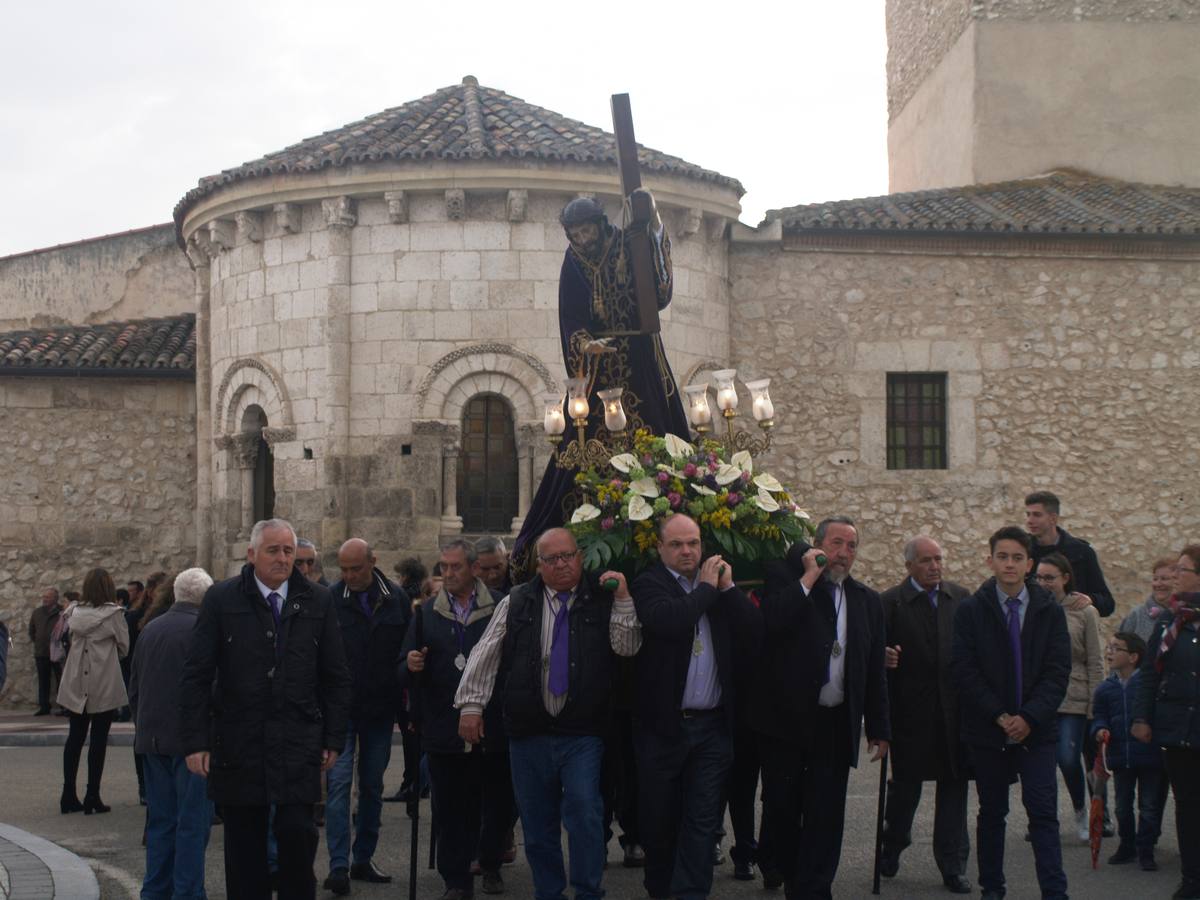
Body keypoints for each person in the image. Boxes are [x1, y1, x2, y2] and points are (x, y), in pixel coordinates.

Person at [455, 527, 642, 900]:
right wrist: (471, 707)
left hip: (583, 732)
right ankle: (549, 893)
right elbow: (485, 653)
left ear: (581, 557)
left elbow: (627, 647)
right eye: (552, 559)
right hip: (529, 732)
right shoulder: (517, 600)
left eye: (568, 556)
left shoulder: (601, 599)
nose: (561, 565)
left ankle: (589, 891)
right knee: (538, 826)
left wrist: (623, 598)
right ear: (539, 566)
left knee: (586, 814)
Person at [511, 195, 690, 577]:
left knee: (659, 428)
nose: (581, 239)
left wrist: (655, 222)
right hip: (600, 365)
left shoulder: (629, 243)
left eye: (586, 230)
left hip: (640, 354)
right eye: (574, 233)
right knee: (580, 444)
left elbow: (659, 292)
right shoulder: (573, 260)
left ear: (600, 224)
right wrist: (583, 343)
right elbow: (570, 316)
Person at [179, 517, 352, 900]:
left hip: (298, 740)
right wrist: (195, 742)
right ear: (252, 554)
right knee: (244, 846)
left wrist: (333, 738)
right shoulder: (222, 599)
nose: (283, 558)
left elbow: (336, 676)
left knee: (297, 835)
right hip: (240, 742)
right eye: (273, 550)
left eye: (289, 551)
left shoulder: (317, 600)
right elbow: (196, 675)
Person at [751, 515, 890, 898]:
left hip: (835, 723)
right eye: (836, 544)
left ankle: (815, 889)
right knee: (782, 809)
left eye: (851, 546)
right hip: (786, 723)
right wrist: (809, 575)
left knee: (826, 815)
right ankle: (794, 877)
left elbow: (872, 669)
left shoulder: (867, 602)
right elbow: (772, 622)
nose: (844, 554)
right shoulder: (788, 581)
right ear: (817, 547)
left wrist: (880, 728)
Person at [630, 513, 761, 899]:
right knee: (660, 821)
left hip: (712, 729)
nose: (687, 551)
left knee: (703, 822)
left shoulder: (717, 588)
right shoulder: (649, 584)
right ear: (659, 548)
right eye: (677, 544)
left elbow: (754, 632)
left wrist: (730, 587)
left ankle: (691, 894)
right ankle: (661, 889)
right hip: (663, 728)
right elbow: (669, 621)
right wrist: (706, 588)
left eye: (694, 543)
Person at [952, 526, 1070, 900]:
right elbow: (963, 669)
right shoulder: (971, 610)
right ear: (990, 560)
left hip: (1037, 730)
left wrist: (1029, 717)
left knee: (1043, 815)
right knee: (992, 814)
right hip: (989, 730)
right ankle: (993, 888)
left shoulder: (1048, 610)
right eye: (1002, 556)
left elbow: (1057, 670)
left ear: (1029, 564)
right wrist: (1000, 716)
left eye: (1018, 557)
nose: (1009, 564)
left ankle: (1054, 891)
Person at [403, 539, 511, 899]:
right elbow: (402, 663)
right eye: (443, 567)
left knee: (497, 803)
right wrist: (410, 663)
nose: (448, 574)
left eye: (455, 567)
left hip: (493, 726)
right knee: (450, 807)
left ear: (474, 569)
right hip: (443, 725)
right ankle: (456, 880)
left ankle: (491, 862)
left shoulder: (500, 608)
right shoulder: (426, 613)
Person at [879, 536, 972, 894]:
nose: (934, 566)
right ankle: (893, 843)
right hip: (910, 715)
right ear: (909, 567)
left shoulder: (960, 598)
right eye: (926, 561)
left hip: (953, 714)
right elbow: (876, 655)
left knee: (953, 790)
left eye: (938, 559)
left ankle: (953, 865)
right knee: (905, 791)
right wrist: (885, 659)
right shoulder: (890, 603)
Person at [321, 538, 410, 895]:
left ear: (372, 562)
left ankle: (363, 857)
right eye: (343, 569)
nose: (349, 576)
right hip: (340, 710)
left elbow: (406, 649)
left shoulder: (396, 600)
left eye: (355, 568)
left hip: (378, 708)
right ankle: (338, 865)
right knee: (339, 785)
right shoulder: (330, 599)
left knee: (372, 785)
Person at [130, 568, 215, 900]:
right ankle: (188, 892)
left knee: (161, 822)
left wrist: (143, 725)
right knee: (192, 823)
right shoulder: (202, 630)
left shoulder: (151, 629)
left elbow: (135, 687)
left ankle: (156, 890)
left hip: (152, 738)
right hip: (190, 742)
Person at [1133, 544, 1200, 899]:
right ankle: (1192, 879)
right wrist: (1142, 716)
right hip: (1177, 730)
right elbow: (1148, 674)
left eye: (1183, 570)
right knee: (1188, 807)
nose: (1175, 576)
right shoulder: (1169, 620)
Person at [1036, 552, 1104, 841]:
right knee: (1041, 764)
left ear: (1065, 578)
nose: (1043, 583)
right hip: (1040, 696)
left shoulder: (1084, 611)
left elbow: (1095, 659)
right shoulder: (1033, 608)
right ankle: (1044, 820)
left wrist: (1096, 706)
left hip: (1074, 696)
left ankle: (1084, 810)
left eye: (1049, 578)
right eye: (1038, 577)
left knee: (1068, 757)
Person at [57, 568, 130, 815]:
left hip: (76, 679)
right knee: (98, 739)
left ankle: (68, 793)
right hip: (103, 681)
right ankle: (92, 794)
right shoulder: (114, 615)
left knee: (75, 737)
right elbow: (124, 648)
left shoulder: (73, 613)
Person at [1092, 632, 1164, 871]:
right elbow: (1099, 716)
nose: (1109, 652)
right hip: (1120, 757)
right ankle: (1127, 845)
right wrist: (1100, 729)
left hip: (1150, 756)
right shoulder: (1105, 689)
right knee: (1123, 805)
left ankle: (1146, 849)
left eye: (1116, 648)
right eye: (1109, 647)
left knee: (1149, 804)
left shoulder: (1147, 686)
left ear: (1133, 656)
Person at [1025, 490, 1114, 616]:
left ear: (1053, 518)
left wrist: (1090, 599)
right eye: (1028, 514)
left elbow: (1107, 603)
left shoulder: (1082, 553)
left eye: (1037, 515)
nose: (1029, 520)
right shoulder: (1023, 552)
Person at [1122, 556, 1177, 642]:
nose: (1158, 584)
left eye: (1164, 579)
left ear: (1177, 581)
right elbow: (1121, 648)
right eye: (1155, 579)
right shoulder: (1137, 615)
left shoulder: (1183, 616)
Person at [28, 587, 61, 715]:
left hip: (57, 653)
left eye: (48, 597)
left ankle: (64, 707)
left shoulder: (61, 612)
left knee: (61, 679)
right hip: (41, 652)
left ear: (55, 598)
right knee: (43, 681)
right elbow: (32, 631)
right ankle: (44, 707)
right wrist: (38, 641)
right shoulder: (37, 612)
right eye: (44, 597)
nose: (45, 599)